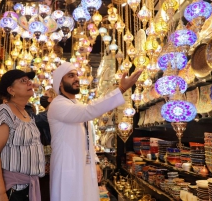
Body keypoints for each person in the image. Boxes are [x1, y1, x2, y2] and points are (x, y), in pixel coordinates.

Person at [47, 62, 142, 201]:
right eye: (70, 76)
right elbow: (89, 111)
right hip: (67, 166)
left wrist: (95, 161)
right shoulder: (58, 104)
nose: (76, 79)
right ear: (60, 83)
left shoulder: (77, 104)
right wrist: (121, 88)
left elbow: (87, 138)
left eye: (77, 75)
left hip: (84, 166)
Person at [0, 69, 45, 201]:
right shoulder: (3, 111)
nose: (29, 83)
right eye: (23, 81)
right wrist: (0, 194)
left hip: (26, 188)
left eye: (29, 80)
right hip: (10, 189)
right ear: (10, 90)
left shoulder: (26, 113)